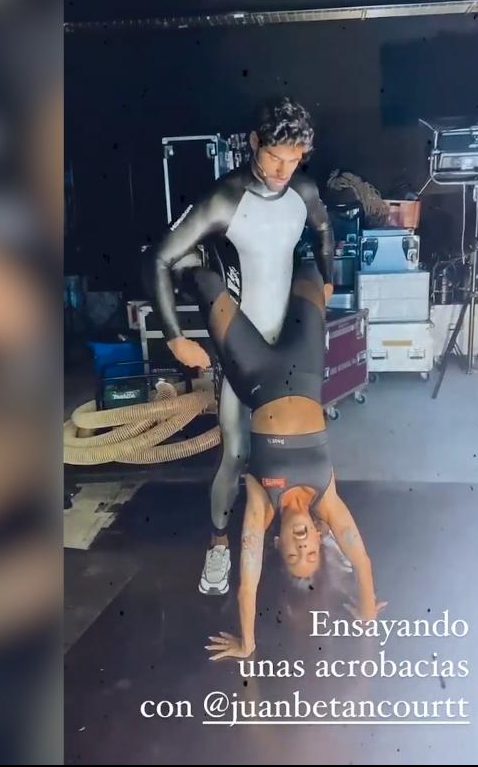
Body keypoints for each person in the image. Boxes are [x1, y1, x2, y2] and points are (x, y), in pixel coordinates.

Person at [146, 97, 334, 595]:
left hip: (290, 348)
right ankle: (218, 544)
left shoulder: (303, 190)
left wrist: (329, 277)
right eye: (274, 157)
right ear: (254, 142)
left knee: (296, 450)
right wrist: (175, 337)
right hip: (243, 347)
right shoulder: (224, 199)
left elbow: (322, 228)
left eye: (294, 159)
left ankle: (306, 523)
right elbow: (159, 258)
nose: (283, 171)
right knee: (235, 454)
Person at [165, 257, 385, 660]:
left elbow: (248, 581)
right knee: (310, 270)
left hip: (258, 375)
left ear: (278, 543)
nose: (302, 546)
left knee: (205, 281)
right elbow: (362, 560)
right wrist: (368, 611)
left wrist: (247, 644)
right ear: (319, 536)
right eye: (312, 552)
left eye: (293, 555)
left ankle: (189, 267)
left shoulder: (262, 506)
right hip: (306, 367)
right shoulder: (327, 499)